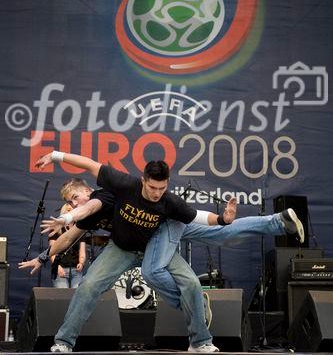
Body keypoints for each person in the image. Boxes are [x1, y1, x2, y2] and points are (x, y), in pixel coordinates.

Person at [20, 150, 304, 353]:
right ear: (143, 181)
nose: (156, 193)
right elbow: (71, 234)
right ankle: (63, 343)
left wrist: (56, 155)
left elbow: (90, 191)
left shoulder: (105, 194)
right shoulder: (116, 192)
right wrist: (44, 256)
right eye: (153, 187)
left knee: (212, 245)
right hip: (125, 248)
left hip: (163, 233)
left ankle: (279, 222)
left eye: (162, 188)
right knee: (89, 286)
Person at [49, 203, 86, 288]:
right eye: (69, 210)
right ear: (64, 212)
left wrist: (81, 262)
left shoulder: (80, 229)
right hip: (60, 268)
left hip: (76, 269)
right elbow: (52, 251)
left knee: (77, 293)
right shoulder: (56, 229)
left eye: (73, 209)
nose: (72, 211)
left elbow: (82, 250)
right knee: (62, 294)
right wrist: (57, 266)